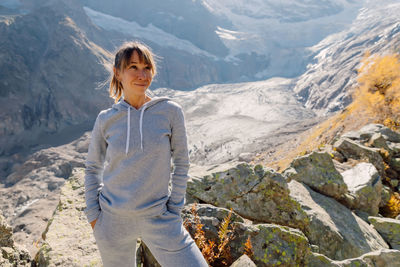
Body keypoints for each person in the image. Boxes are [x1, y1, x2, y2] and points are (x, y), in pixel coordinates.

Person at [84, 41, 208, 267]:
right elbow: (93, 167)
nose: (142, 75)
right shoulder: (105, 119)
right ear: (118, 73)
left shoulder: (170, 111)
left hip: (160, 218)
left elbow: (182, 163)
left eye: (147, 68)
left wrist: (174, 209)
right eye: (133, 67)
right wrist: (94, 217)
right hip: (112, 222)